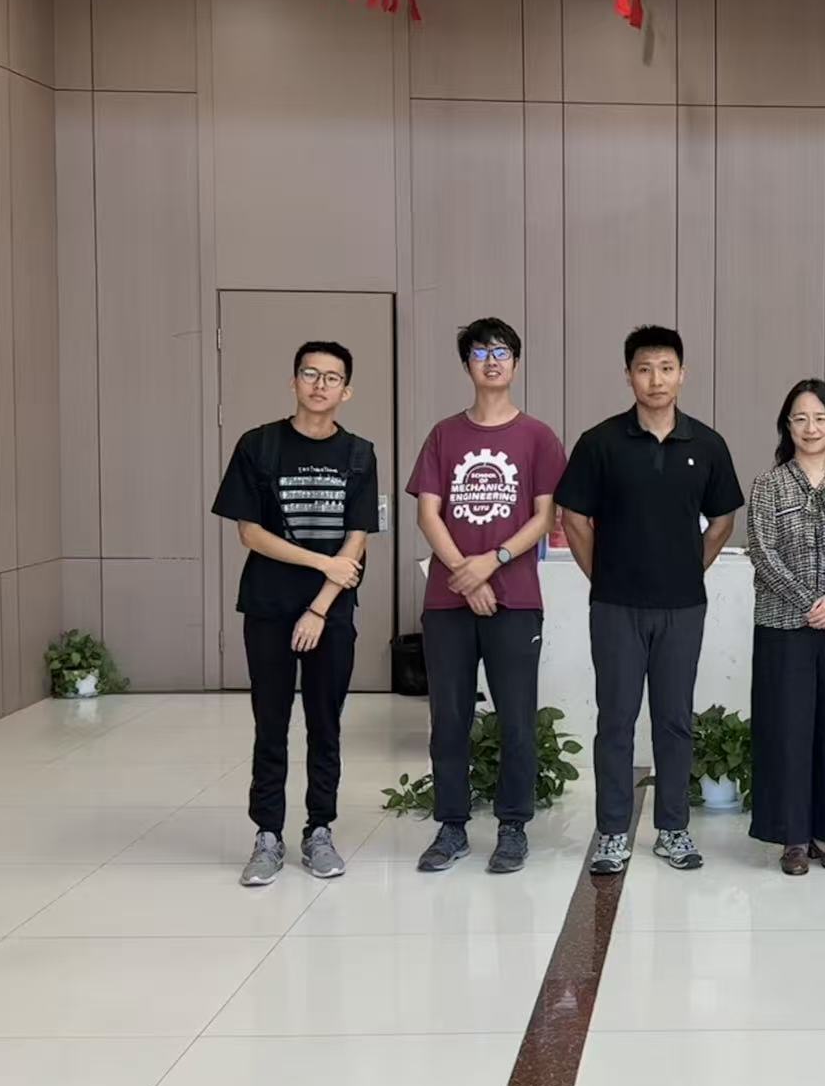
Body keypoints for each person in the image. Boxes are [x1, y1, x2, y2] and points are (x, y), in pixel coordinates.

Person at [559, 325, 745, 875]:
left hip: (682, 607)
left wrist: (689, 568)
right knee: (615, 721)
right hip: (615, 607)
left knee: (674, 719)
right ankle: (613, 832)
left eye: (666, 368)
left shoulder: (707, 444)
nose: (656, 379)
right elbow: (573, 518)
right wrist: (603, 576)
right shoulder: (600, 442)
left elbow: (724, 519)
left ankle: (673, 829)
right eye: (644, 369)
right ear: (628, 376)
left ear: (683, 374)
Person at [214, 341, 379, 888]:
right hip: (268, 606)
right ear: (293, 382)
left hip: (330, 613)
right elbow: (250, 533)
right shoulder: (258, 445)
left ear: (346, 391)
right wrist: (321, 562)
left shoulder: (359, 454)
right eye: (310, 373)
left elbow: (357, 539)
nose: (320, 384)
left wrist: (319, 607)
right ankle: (267, 834)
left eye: (332, 377)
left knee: (325, 724)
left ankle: (319, 830)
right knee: (271, 723)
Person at [407, 318, 566, 876]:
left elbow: (545, 516)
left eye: (501, 352)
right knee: (448, 717)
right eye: (480, 353)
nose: (491, 361)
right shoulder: (444, 435)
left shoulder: (538, 437)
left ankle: (513, 827)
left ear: (515, 363)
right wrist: (465, 573)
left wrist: (491, 563)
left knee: (516, 718)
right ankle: (451, 826)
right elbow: (428, 513)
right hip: (448, 601)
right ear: (467, 364)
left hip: (515, 599)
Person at [745, 380, 825, 876]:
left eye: (820, 418)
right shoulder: (769, 484)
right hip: (783, 625)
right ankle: (794, 837)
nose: (811, 427)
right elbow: (762, 551)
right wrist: (808, 601)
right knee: (786, 728)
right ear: (787, 426)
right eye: (800, 418)